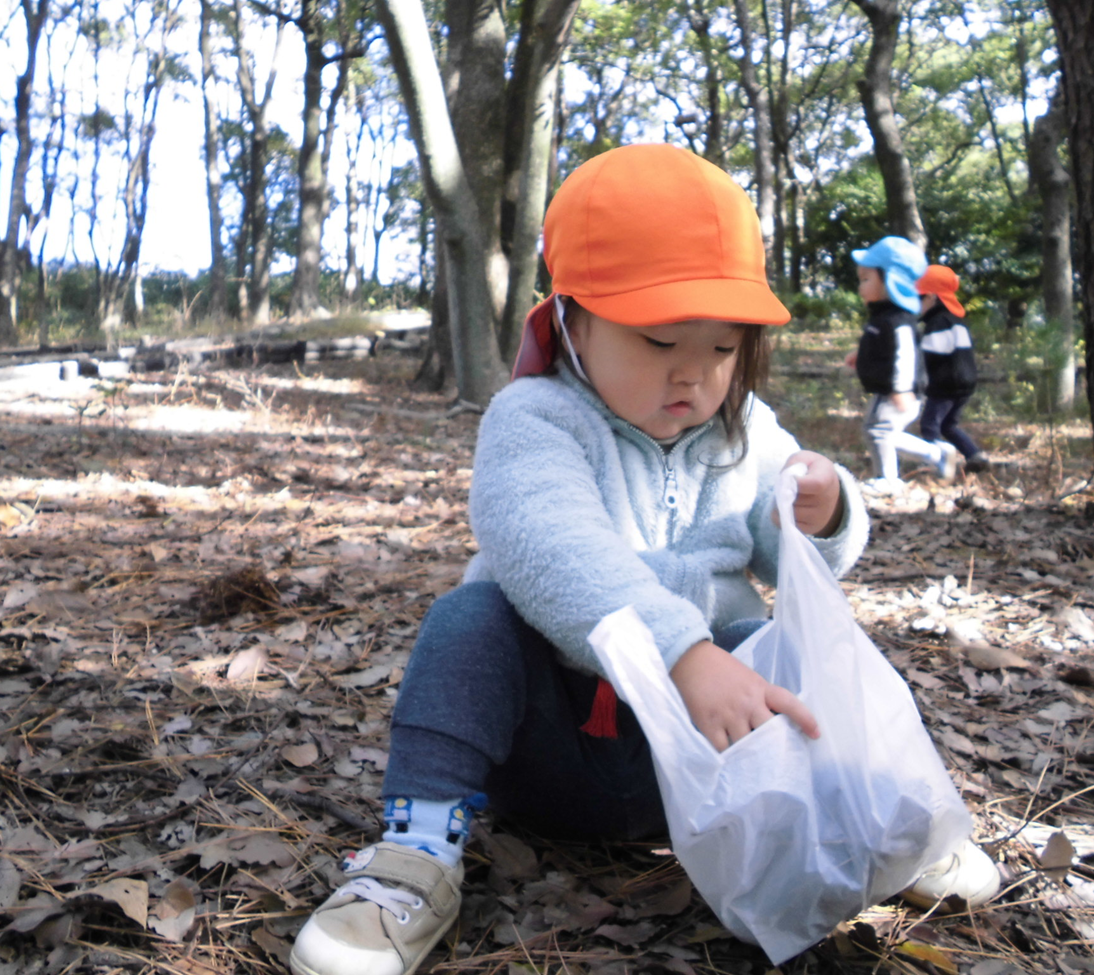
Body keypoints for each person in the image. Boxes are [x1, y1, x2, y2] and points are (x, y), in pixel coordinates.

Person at [288, 146, 997, 975]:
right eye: (661, 340)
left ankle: (875, 821)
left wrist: (826, 508)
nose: (694, 377)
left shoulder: (745, 430)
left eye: (725, 349)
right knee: (472, 617)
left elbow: (800, 564)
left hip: (701, 777)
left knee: (784, 645)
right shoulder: (535, 418)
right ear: (572, 319)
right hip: (552, 750)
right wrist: (680, 651)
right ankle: (414, 854)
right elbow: (554, 548)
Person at [845, 237, 958, 495]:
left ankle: (888, 479)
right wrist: (860, 355)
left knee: (879, 432)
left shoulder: (897, 320)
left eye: (866, 279)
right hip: (888, 389)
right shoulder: (884, 317)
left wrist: (901, 388)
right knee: (877, 431)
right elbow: (883, 348)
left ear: (890, 281)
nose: (860, 286)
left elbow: (904, 356)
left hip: (897, 390)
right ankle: (935, 453)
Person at [916, 265, 987, 472]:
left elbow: (930, 354)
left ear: (931, 297)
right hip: (966, 383)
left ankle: (937, 463)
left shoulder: (938, 322)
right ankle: (975, 455)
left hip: (946, 384)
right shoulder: (956, 320)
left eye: (918, 298)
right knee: (948, 425)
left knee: (930, 425)